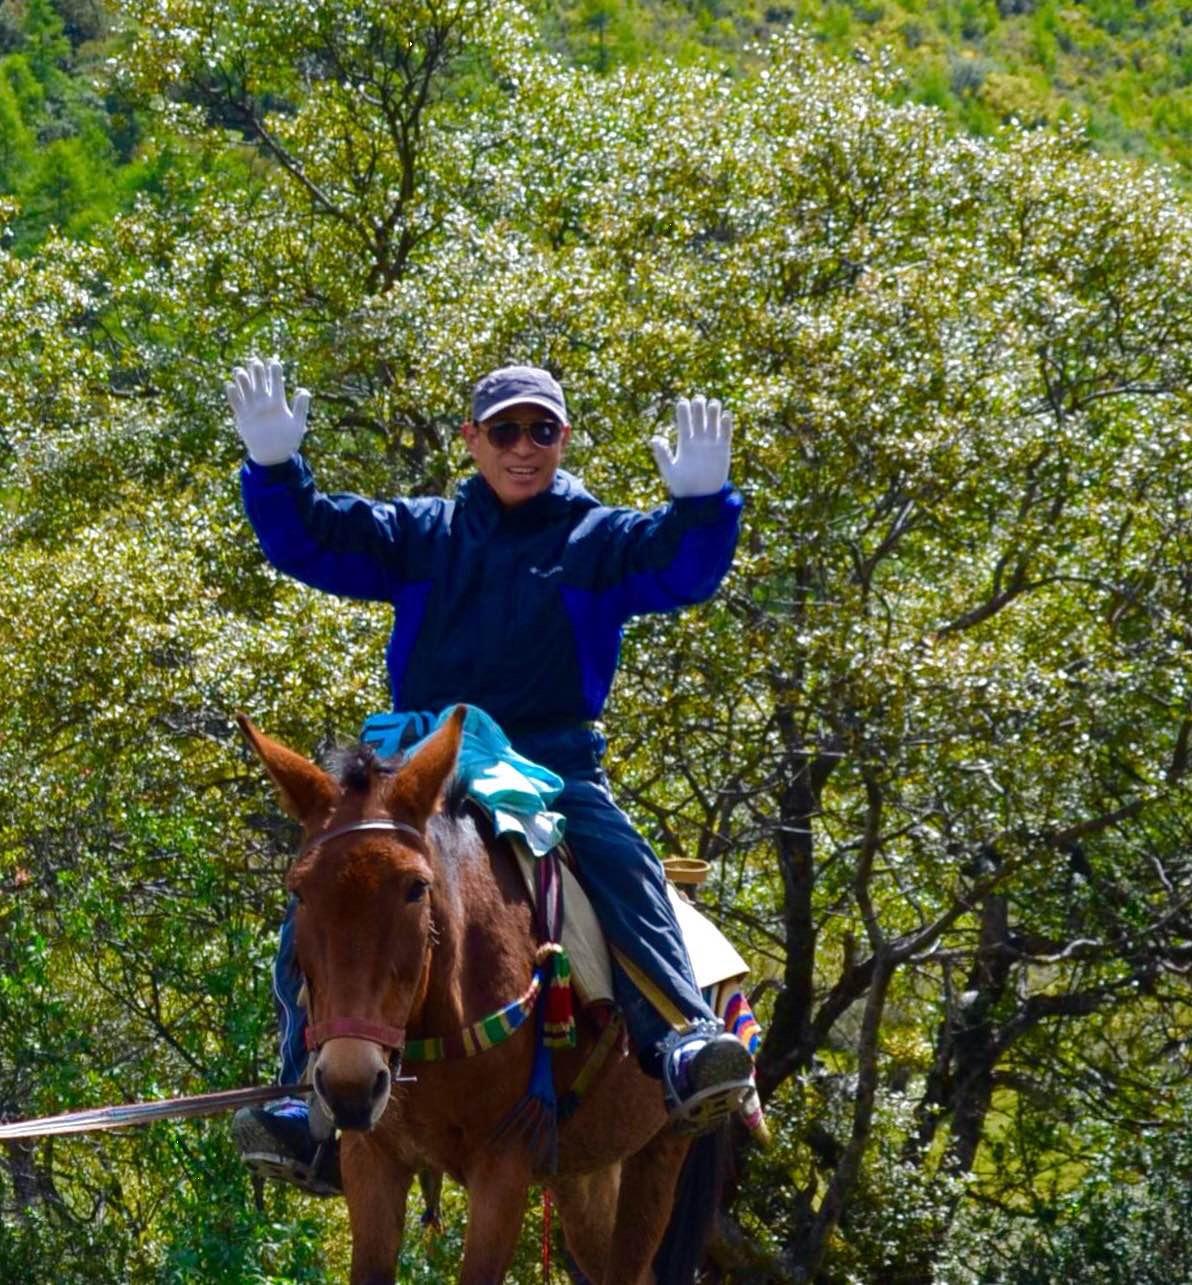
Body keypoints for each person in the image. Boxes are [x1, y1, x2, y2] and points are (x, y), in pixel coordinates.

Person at [226, 356, 752, 1193]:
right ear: (472, 439)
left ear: (564, 439)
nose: (523, 447)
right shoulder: (424, 532)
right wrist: (275, 472)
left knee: (621, 860)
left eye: (541, 430)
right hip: (423, 767)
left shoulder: (598, 540)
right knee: (327, 888)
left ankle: (681, 1039)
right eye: (504, 429)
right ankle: (306, 1092)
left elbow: (683, 571)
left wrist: (702, 508)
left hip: (553, 763)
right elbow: (314, 540)